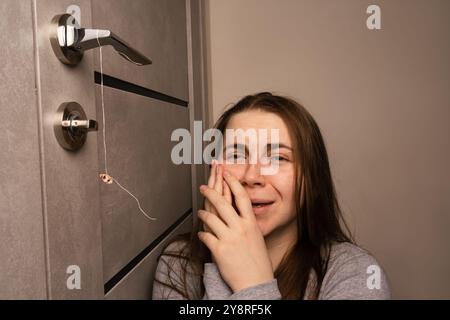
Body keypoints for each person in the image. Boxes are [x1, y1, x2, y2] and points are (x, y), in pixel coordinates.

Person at [152, 92, 390, 300]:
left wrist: (253, 286)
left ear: (312, 180)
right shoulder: (179, 263)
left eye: (278, 158)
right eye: (236, 155)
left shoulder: (355, 272)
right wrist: (219, 269)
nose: (253, 176)